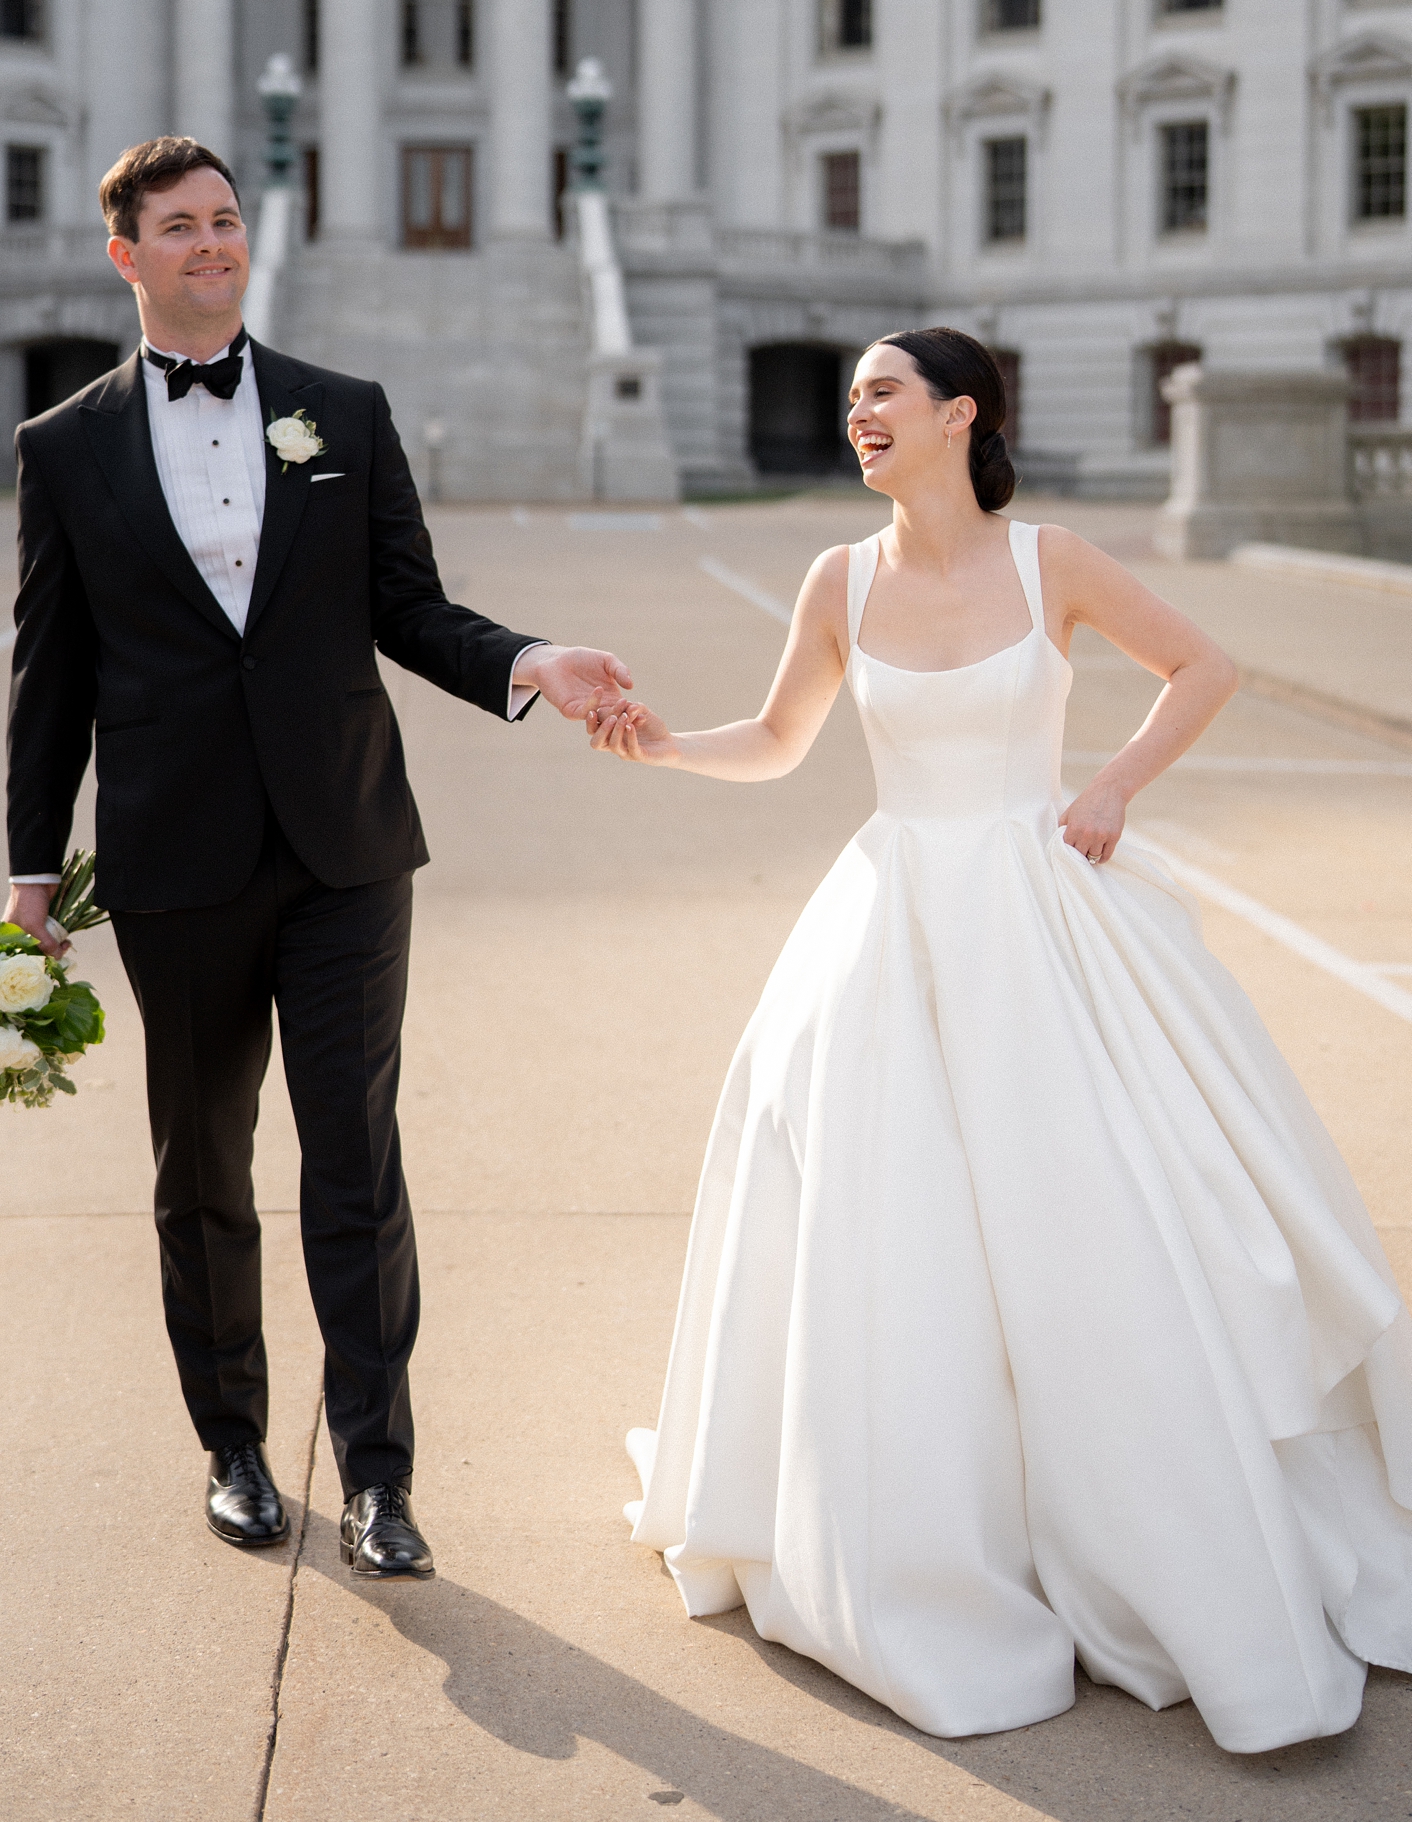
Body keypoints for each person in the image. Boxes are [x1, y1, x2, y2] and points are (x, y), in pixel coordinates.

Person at [589, 326, 1412, 1752]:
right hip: (889, 927)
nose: (860, 415)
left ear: (962, 413)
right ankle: (932, 1535)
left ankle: (1158, 1524)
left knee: (1100, 1221)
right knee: (891, 1230)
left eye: (883, 393)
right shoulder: (837, 577)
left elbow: (1203, 667)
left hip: (1043, 919)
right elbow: (786, 739)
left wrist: (1112, 792)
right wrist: (662, 744)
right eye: (850, 399)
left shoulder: (1055, 563)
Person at [5, 135, 632, 1577]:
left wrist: (532, 656)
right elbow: (51, 679)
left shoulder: (340, 408)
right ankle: (231, 1443)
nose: (214, 243)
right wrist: (36, 874)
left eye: (226, 220)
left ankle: (378, 1474)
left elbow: (409, 606)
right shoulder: (64, 446)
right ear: (128, 254)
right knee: (204, 1161)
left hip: (347, 846)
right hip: (174, 860)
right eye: (181, 226)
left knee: (354, 1162)